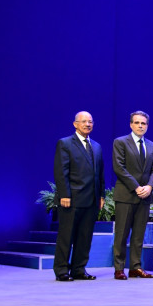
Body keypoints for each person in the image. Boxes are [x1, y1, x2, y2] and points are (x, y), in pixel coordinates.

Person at [53, 111, 105, 281]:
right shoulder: (65, 143)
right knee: (66, 236)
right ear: (75, 124)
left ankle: (79, 269)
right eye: (83, 121)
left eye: (90, 121)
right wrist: (64, 194)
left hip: (91, 200)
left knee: (84, 237)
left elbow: (100, 174)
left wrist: (101, 195)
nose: (87, 124)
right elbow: (61, 172)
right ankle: (61, 270)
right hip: (72, 199)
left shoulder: (96, 146)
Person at [112, 111, 153, 280]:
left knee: (139, 235)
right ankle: (119, 268)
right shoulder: (120, 142)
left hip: (145, 196)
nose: (140, 126)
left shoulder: (152, 146)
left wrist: (149, 187)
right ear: (131, 124)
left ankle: (135, 267)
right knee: (121, 234)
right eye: (137, 123)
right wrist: (136, 187)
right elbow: (119, 167)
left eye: (144, 123)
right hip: (126, 195)